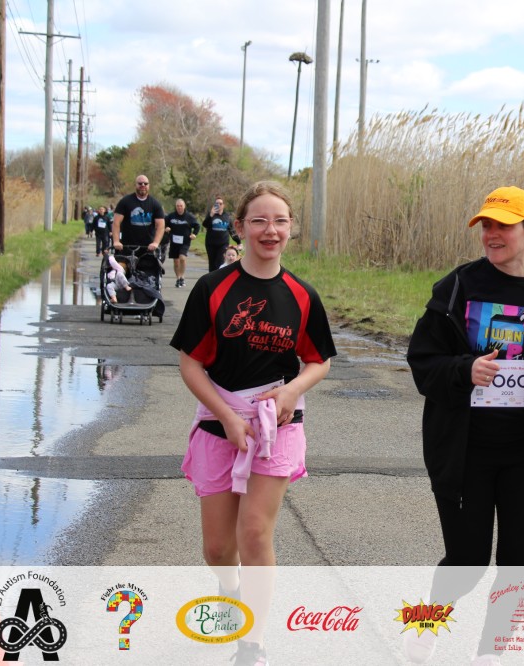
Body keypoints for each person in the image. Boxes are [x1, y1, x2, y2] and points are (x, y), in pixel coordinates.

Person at [406, 186, 524, 664]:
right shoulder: (458, 287)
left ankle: (491, 652)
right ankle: (426, 621)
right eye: (487, 226)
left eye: (504, 226)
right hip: (465, 449)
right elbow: (423, 361)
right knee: (466, 560)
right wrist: (463, 369)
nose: (492, 235)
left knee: (518, 563)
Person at [169, 180, 336, 666]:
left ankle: (252, 645)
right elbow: (190, 363)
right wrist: (226, 416)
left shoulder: (302, 295)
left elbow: (319, 360)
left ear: (291, 228)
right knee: (219, 548)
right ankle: (231, 589)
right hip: (220, 425)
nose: (270, 230)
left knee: (256, 533)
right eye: (259, 220)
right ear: (239, 228)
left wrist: (291, 390)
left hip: (275, 428)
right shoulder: (212, 288)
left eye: (280, 221)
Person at [111, 175, 165, 253]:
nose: (143, 185)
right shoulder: (125, 201)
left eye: (145, 183)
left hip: (148, 248)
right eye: (140, 183)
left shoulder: (155, 204)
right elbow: (116, 222)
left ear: (149, 185)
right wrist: (116, 241)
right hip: (127, 247)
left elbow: (161, 226)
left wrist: (156, 243)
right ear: (135, 185)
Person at [165, 199, 200, 288]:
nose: (179, 207)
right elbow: (164, 223)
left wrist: (194, 234)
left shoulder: (189, 217)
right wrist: (166, 228)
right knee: (176, 261)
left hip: (185, 241)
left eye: (181, 206)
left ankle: (182, 276)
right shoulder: (171, 216)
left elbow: (197, 226)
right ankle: (178, 278)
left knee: (182, 258)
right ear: (176, 207)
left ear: (184, 207)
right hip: (174, 241)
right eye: (178, 206)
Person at [202, 195, 236, 272]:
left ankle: (219, 278)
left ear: (223, 205)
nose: (219, 205)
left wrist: (238, 241)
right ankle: (212, 278)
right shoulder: (211, 214)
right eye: (217, 203)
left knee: (219, 262)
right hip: (211, 243)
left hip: (223, 243)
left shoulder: (227, 216)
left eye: (220, 204)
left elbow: (231, 230)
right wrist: (211, 215)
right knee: (212, 263)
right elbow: (205, 224)